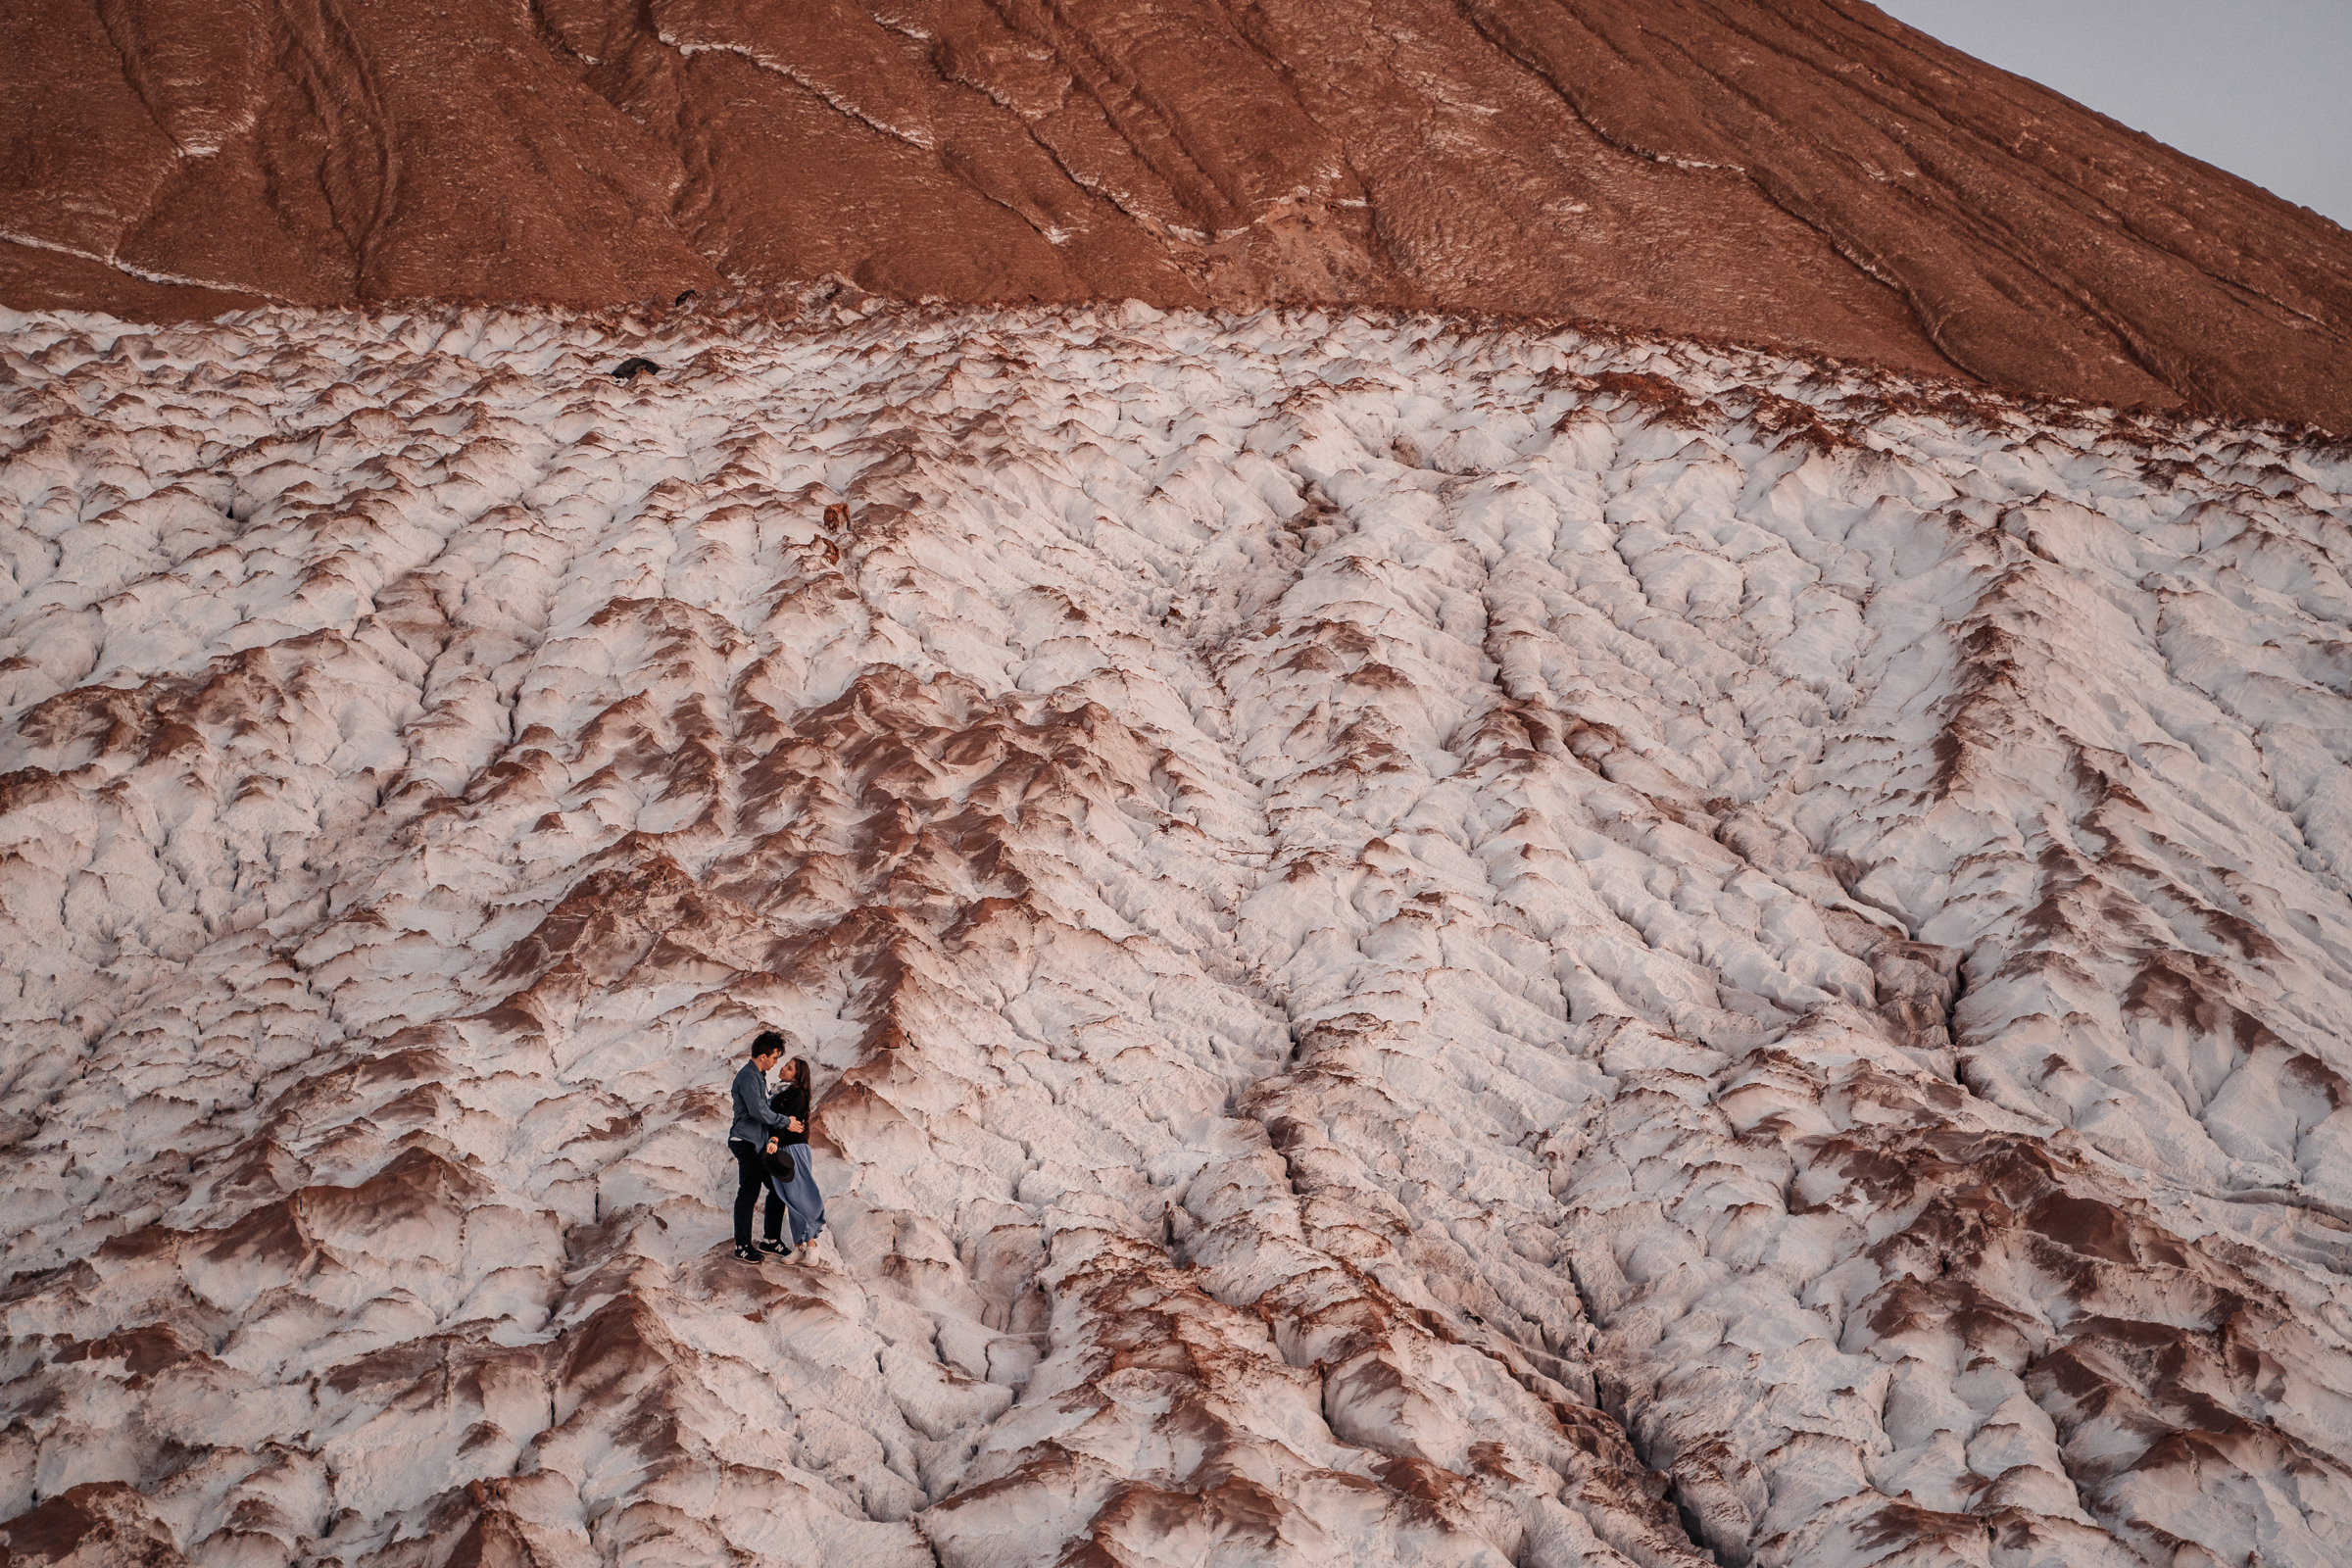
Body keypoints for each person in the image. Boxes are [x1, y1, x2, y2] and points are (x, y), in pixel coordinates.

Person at [727, 1031, 793, 1263]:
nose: (776, 1063)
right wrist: (786, 1122)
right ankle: (742, 1246)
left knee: (777, 1187)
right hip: (745, 1142)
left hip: (758, 1144)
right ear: (763, 1056)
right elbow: (758, 1112)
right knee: (749, 1192)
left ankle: (770, 1240)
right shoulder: (748, 1076)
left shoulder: (758, 1076)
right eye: (774, 1058)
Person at [762, 1055, 825, 1257]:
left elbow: (787, 1121)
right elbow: (780, 1120)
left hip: (793, 1148)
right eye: (785, 1065)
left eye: (789, 1068)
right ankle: (799, 1247)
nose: (783, 1068)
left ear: (797, 1078)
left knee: (800, 1196)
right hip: (782, 1149)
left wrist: (774, 1139)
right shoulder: (779, 1092)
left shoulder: (797, 1094)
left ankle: (812, 1245)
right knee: (789, 1198)